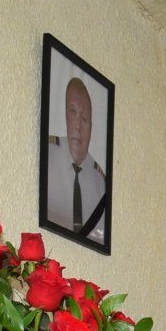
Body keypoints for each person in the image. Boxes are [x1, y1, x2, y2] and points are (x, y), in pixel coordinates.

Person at [44, 76, 108, 244]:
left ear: (91, 129)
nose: (78, 126)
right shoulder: (48, 154)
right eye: (73, 113)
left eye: (84, 119)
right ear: (65, 116)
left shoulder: (101, 183)